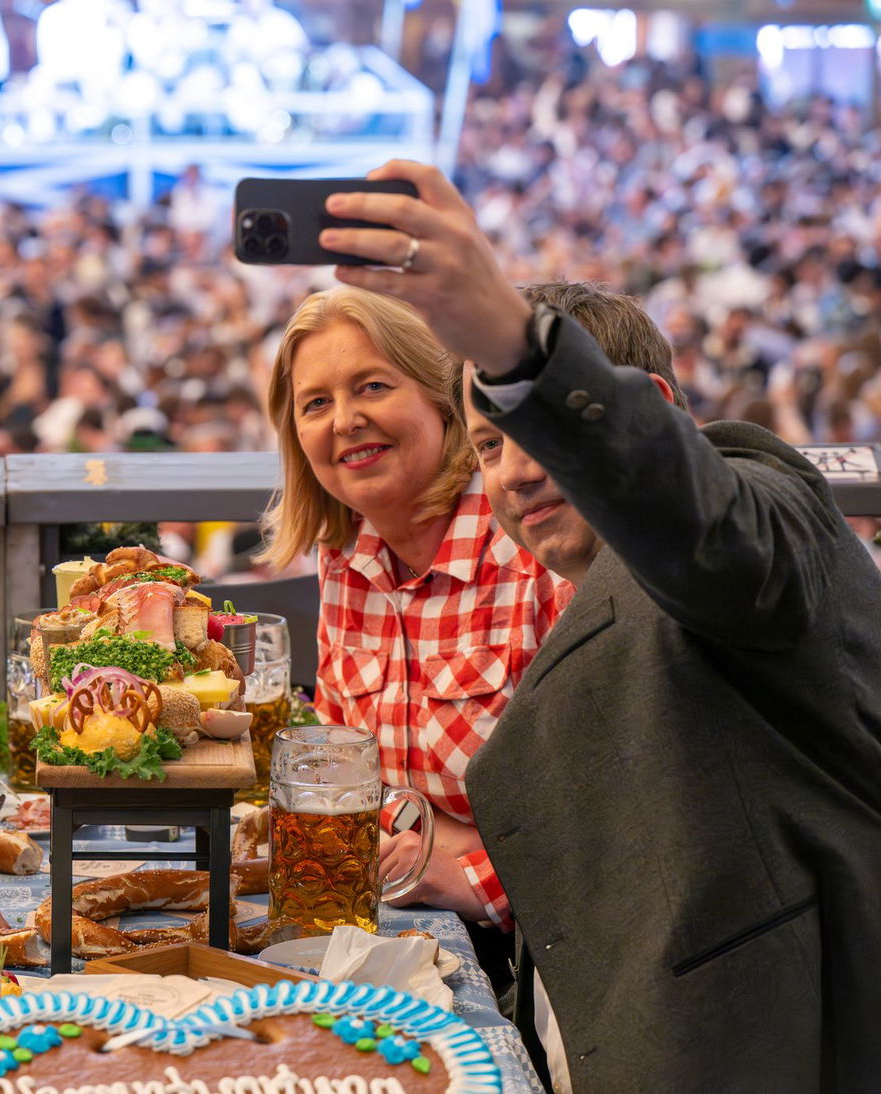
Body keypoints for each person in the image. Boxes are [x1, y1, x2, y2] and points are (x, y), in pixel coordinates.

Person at [322, 160, 881, 1090]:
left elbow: (694, 521)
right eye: (492, 447)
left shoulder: (757, 521)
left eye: (544, 433)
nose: (515, 475)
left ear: (649, 417)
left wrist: (510, 343)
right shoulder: (582, 595)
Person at [256, 284, 566, 968]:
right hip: (419, 925)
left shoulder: (534, 540)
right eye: (316, 403)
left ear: (441, 398)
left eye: (371, 385)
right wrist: (434, 836)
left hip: (551, 949)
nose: (344, 420)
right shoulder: (346, 555)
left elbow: (609, 811)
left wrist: (478, 871)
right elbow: (346, 774)